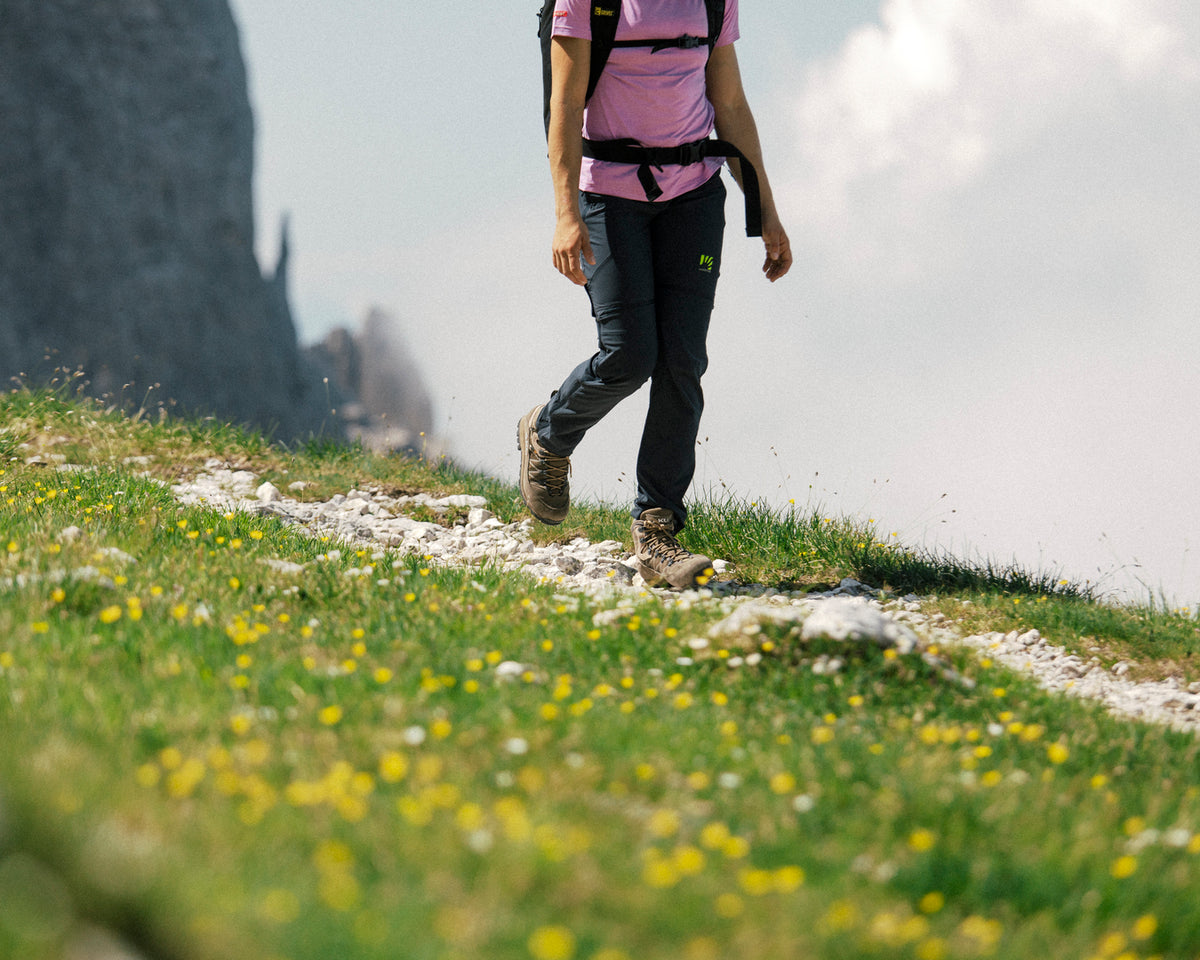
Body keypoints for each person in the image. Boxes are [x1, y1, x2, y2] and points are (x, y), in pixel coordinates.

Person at [518, 0, 791, 589]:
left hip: (693, 197)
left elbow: (731, 105)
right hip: (609, 198)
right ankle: (549, 431)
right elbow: (563, 107)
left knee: (682, 361)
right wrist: (565, 215)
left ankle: (657, 530)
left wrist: (764, 210)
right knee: (629, 352)